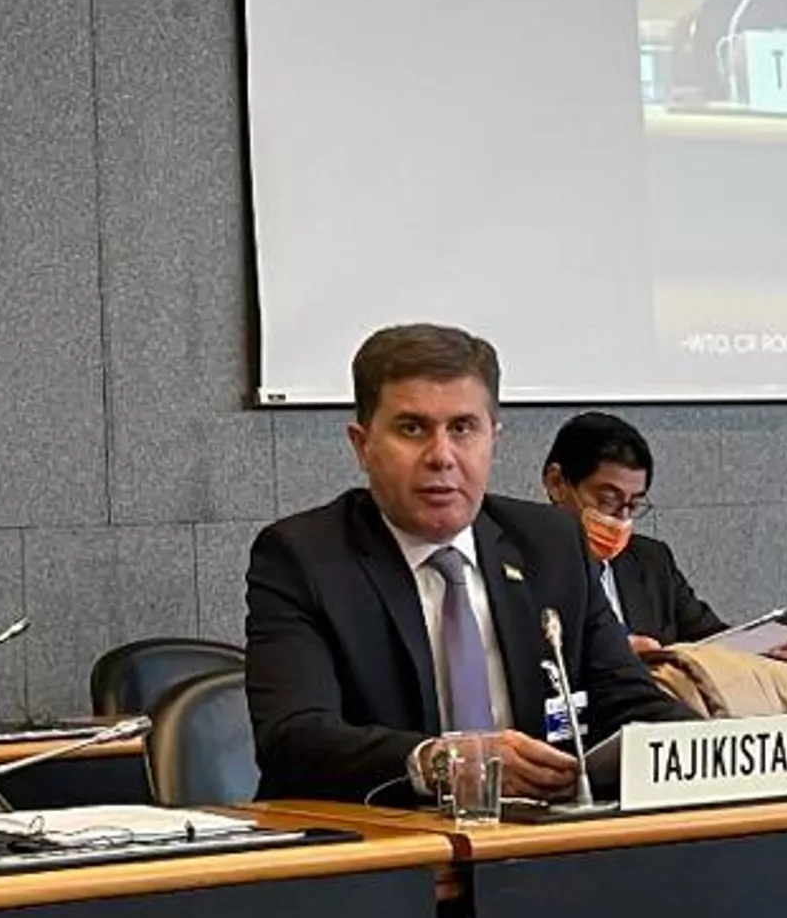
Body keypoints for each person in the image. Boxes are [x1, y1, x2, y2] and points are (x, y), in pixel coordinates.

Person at [244, 325, 679, 803]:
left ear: (493, 438)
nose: (441, 457)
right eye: (412, 429)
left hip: (541, 835)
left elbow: (629, 700)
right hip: (389, 835)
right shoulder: (305, 557)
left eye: (462, 428)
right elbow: (294, 739)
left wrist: (718, 752)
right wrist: (445, 763)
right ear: (362, 445)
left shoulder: (551, 545)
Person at [540, 410, 787, 662]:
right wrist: (614, 656)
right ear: (557, 483)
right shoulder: (526, 568)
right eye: (608, 500)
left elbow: (709, 640)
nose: (621, 518)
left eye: (633, 505)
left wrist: (757, 652)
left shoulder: (652, 561)